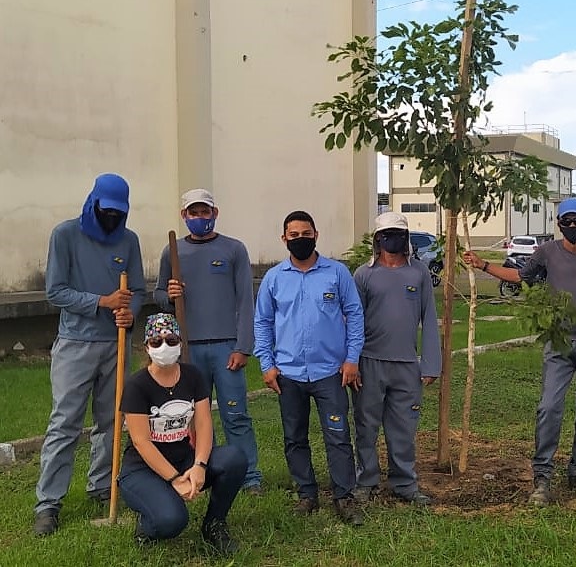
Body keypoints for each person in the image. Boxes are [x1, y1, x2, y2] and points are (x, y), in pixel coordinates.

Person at [464, 197, 576, 506]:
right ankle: (542, 477)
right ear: (557, 224)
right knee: (549, 408)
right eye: (565, 222)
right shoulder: (547, 253)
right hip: (559, 345)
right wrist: (483, 264)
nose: (571, 227)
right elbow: (522, 277)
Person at [34, 173, 146, 536]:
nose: (112, 219)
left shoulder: (129, 241)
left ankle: (102, 487)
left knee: (111, 420)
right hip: (75, 344)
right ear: (93, 203)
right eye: (107, 211)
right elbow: (55, 291)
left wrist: (130, 313)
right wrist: (102, 302)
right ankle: (48, 503)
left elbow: (139, 290)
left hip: (116, 344)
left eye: (119, 213)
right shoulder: (65, 235)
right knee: (65, 422)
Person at [253, 210, 365, 525]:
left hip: (330, 372)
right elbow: (262, 322)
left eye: (306, 234)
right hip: (288, 374)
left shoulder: (337, 273)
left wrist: (352, 358)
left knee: (338, 435)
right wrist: (267, 363)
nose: (300, 239)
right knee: (294, 437)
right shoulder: (274, 279)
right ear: (284, 238)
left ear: (316, 235)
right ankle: (307, 495)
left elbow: (354, 315)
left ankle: (344, 497)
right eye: (294, 235)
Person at [154, 188, 262, 494]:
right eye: (194, 213)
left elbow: (245, 300)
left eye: (205, 212)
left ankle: (249, 475)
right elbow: (159, 295)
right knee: (192, 417)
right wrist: (169, 295)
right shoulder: (172, 252)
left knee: (236, 413)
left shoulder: (233, 250)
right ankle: (199, 472)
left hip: (227, 347)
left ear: (214, 213)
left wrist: (243, 346)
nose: (200, 218)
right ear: (184, 216)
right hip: (187, 349)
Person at [118, 314, 246, 555]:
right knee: (173, 521)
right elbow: (141, 442)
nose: (164, 346)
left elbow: (205, 423)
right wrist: (175, 479)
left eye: (171, 339)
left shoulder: (193, 376)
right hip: (143, 469)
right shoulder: (137, 386)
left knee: (234, 459)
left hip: (185, 459)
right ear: (147, 346)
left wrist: (199, 465)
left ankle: (214, 523)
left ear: (180, 343)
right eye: (156, 342)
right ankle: (147, 524)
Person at [352, 212, 441, 506]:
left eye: (400, 235)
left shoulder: (419, 273)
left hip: (406, 365)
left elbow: (429, 318)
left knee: (404, 427)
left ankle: (404, 483)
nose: (394, 240)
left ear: (407, 239)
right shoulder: (364, 275)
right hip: (369, 362)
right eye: (387, 234)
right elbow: (353, 321)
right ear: (378, 239)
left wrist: (430, 364)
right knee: (366, 426)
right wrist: (351, 362)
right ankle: (366, 481)